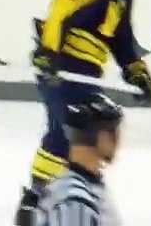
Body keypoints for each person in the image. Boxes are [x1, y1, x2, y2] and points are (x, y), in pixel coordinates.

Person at [15, 0, 151, 226]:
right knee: (65, 132)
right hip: (64, 63)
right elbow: (61, 11)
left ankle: (52, 197)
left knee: (79, 135)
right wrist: (49, 53)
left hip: (87, 70)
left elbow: (120, 31)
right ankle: (34, 201)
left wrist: (135, 69)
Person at [35, 94, 126, 226]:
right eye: (115, 134)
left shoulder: (77, 188)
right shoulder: (76, 202)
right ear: (103, 137)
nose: (119, 143)